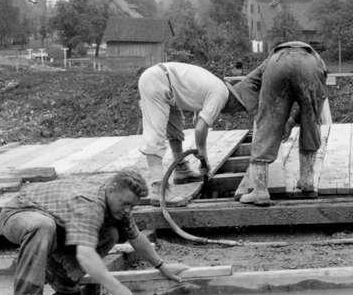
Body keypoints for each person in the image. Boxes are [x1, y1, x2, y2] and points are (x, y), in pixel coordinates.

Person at [0, 169, 189, 295]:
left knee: (111, 233)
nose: (128, 210)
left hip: (57, 221)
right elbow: (85, 255)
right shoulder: (90, 205)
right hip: (21, 213)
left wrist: (162, 266)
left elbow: (136, 238)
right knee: (42, 226)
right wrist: (116, 288)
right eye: (125, 204)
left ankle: (61, 276)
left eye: (132, 206)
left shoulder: (118, 204)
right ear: (111, 189)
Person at [227, 41, 331, 206]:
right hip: (309, 66)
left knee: (266, 127)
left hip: (277, 66)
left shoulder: (270, 60)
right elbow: (317, 100)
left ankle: (260, 191)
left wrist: (261, 116)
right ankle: (307, 182)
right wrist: (292, 121)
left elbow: (246, 85)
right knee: (311, 121)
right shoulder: (318, 61)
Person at [137, 62, 245, 205]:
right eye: (237, 109)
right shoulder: (221, 94)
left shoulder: (214, 86)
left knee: (175, 126)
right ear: (235, 103)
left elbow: (197, 119)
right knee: (155, 136)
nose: (233, 113)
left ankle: (181, 169)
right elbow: (200, 128)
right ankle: (158, 189)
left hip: (165, 80)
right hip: (157, 81)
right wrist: (203, 155)